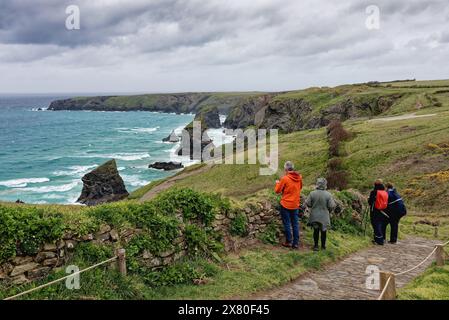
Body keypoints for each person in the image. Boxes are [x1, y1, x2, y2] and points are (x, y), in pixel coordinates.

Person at [275, 161, 303, 249]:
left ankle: (288, 241)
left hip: (286, 204)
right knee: (295, 224)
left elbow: (277, 191)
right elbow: (300, 187)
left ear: (286, 169)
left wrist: (277, 183)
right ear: (293, 168)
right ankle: (296, 243)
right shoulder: (299, 178)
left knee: (287, 223)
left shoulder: (285, 178)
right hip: (295, 204)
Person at [306, 178, 336, 251]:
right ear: (325, 185)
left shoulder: (312, 193)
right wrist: (329, 211)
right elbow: (332, 206)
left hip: (314, 215)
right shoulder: (328, 194)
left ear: (317, 184)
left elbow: (308, 203)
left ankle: (316, 246)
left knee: (315, 231)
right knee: (323, 231)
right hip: (324, 216)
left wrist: (313, 206)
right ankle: (323, 247)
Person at [368, 179, 389, 245]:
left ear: (375, 184)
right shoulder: (385, 192)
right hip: (383, 210)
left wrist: (369, 200)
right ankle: (379, 239)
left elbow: (370, 202)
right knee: (380, 224)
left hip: (375, 210)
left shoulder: (374, 192)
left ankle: (379, 240)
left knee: (375, 224)